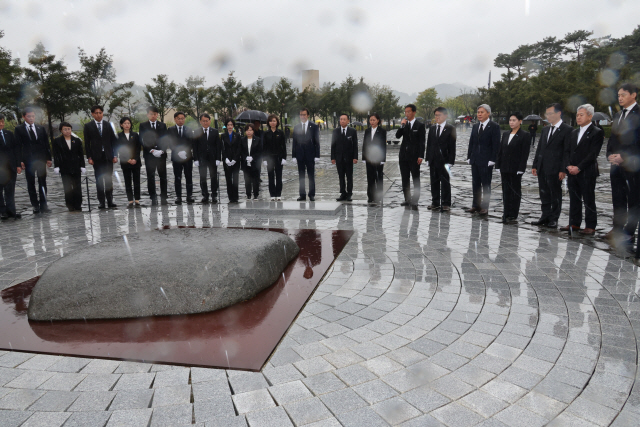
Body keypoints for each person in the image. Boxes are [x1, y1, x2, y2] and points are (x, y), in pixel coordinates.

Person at [561, 104, 604, 235]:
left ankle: (590, 225)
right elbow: (567, 151)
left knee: (588, 198)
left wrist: (579, 167)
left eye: (581, 115)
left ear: (590, 116)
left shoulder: (597, 132)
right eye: (577, 115)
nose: (578, 117)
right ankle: (574, 222)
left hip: (587, 171)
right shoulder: (573, 132)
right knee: (574, 198)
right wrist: (568, 166)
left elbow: (593, 154)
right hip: (572, 171)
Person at [606, 83, 640, 242]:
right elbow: (613, 139)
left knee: (633, 200)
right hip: (616, 165)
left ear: (633, 95)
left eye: (623, 95)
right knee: (618, 198)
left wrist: (624, 158)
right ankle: (617, 228)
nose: (620, 98)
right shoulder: (618, 115)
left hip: (633, 166)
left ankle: (629, 231)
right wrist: (610, 155)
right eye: (618, 95)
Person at [531, 103, 573, 228]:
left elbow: (567, 151)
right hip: (542, 166)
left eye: (550, 113)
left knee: (555, 193)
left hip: (556, 168)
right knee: (543, 192)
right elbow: (540, 149)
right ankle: (545, 216)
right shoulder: (545, 129)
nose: (548, 116)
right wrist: (535, 165)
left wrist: (563, 169)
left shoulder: (567, 130)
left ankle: (554, 218)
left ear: (559, 113)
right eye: (547, 114)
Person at [14, 107, 52, 213]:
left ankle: (44, 204)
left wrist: (48, 158)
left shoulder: (40, 128)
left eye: (33, 116)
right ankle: (35, 205)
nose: (31, 118)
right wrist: (20, 160)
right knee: (30, 183)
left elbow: (46, 144)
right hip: (28, 160)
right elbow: (18, 146)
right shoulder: (19, 129)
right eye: (29, 116)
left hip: (40, 160)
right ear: (24, 117)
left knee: (42, 182)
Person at [496, 113, 531, 224]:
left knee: (515, 191)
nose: (511, 122)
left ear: (520, 121)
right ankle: (506, 212)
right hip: (504, 167)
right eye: (510, 120)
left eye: (514, 120)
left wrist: (521, 167)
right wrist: (498, 164)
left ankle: (513, 213)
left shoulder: (525, 135)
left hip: (516, 168)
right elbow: (500, 151)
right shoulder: (506, 134)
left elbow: (525, 153)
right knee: (505, 190)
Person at [465, 104, 500, 215]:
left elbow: (496, 144)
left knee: (486, 184)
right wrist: (469, 156)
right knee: (475, 184)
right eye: (478, 112)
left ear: (488, 113)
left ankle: (485, 207)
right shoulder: (475, 126)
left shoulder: (494, 126)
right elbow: (472, 142)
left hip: (486, 160)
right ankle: (475, 205)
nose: (479, 114)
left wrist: (493, 159)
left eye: (482, 112)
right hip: (475, 159)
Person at [83, 105, 118, 209]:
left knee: (108, 180)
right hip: (96, 157)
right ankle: (101, 202)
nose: (98, 115)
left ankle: (110, 200)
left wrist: (115, 155)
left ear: (103, 113)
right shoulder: (88, 126)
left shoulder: (108, 125)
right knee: (99, 180)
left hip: (108, 156)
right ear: (93, 114)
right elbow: (87, 143)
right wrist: (89, 157)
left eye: (100, 113)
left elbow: (114, 141)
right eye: (96, 113)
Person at [426, 107, 456, 211]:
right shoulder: (432, 128)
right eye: (436, 115)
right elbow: (429, 144)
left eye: (439, 115)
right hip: (433, 159)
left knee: (445, 182)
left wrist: (451, 161)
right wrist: (428, 158)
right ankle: (435, 202)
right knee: (434, 181)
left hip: (445, 160)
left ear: (445, 115)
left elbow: (452, 146)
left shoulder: (450, 128)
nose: (437, 117)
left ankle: (446, 203)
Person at [395, 104, 426, 208]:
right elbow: (397, 135)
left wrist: (421, 156)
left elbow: (422, 142)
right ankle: (407, 199)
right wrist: (402, 125)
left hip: (414, 157)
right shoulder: (405, 125)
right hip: (403, 156)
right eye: (405, 112)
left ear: (414, 112)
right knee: (405, 178)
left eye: (408, 112)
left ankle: (415, 200)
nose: (407, 114)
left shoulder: (420, 126)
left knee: (415, 178)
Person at [52, 122, 85, 212]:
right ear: (61, 130)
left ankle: (78, 204)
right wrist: (57, 166)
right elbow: (56, 155)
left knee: (77, 187)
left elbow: (81, 154)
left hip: (76, 166)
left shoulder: (77, 140)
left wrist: (82, 165)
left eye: (69, 129)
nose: (67, 131)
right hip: (64, 167)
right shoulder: (57, 141)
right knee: (67, 187)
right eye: (65, 129)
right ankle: (70, 205)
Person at [139, 106, 168, 205]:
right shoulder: (143, 125)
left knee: (163, 176)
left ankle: (164, 196)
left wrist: (162, 151)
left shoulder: (162, 125)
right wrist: (151, 150)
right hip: (149, 155)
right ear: (147, 115)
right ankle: (153, 196)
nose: (153, 116)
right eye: (151, 114)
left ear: (157, 115)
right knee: (150, 176)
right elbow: (141, 140)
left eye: (155, 114)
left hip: (161, 155)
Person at [292, 108, 320, 201]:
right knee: (301, 175)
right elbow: (294, 142)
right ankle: (302, 194)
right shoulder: (296, 127)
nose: (302, 116)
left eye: (304, 114)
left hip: (310, 154)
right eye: (301, 115)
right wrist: (294, 155)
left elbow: (317, 142)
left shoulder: (314, 126)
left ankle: (311, 194)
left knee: (311, 175)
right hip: (300, 154)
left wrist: (317, 155)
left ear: (307, 115)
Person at [193, 113, 221, 204]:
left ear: (210, 121)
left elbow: (218, 146)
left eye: (207, 121)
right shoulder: (197, 132)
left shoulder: (215, 131)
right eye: (203, 121)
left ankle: (214, 195)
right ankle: (205, 195)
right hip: (202, 158)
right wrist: (196, 159)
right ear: (200, 122)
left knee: (213, 177)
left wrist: (218, 158)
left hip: (212, 158)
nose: (205, 122)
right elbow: (195, 146)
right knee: (203, 177)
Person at [168, 111, 194, 205]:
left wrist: (185, 151)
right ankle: (178, 196)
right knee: (177, 177)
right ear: (175, 119)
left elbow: (191, 142)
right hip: (176, 157)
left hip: (187, 157)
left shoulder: (189, 129)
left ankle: (189, 195)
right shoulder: (170, 130)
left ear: (184, 119)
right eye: (178, 118)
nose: (180, 120)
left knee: (189, 176)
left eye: (182, 118)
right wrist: (178, 152)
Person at [331, 114, 358, 202]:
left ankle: (349, 193)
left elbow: (355, 145)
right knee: (341, 176)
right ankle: (343, 193)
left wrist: (355, 157)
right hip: (339, 158)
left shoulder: (352, 131)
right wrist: (333, 157)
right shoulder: (335, 131)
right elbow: (333, 145)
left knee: (349, 176)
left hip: (349, 158)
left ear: (348, 121)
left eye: (344, 119)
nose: (342, 121)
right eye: (341, 119)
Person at [116, 117, 142, 208]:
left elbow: (138, 148)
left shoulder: (135, 135)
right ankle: (130, 199)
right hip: (125, 162)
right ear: (121, 125)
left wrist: (135, 159)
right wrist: (127, 159)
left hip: (136, 162)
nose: (127, 125)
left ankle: (137, 199)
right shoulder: (119, 136)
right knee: (127, 181)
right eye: (125, 123)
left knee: (136, 181)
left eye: (128, 123)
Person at [0, 114, 22, 219]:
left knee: (10, 191)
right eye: (0, 121)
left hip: (11, 168)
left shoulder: (8, 134)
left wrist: (18, 164)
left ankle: (11, 211)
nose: (1, 123)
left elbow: (15, 150)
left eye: (3, 121)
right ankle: (3, 212)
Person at [362, 112, 386, 205]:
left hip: (378, 158)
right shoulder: (367, 131)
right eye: (370, 120)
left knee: (378, 178)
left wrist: (383, 159)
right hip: (369, 158)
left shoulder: (382, 131)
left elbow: (383, 146)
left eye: (373, 120)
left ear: (378, 120)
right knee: (370, 177)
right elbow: (365, 144)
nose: (372, 122)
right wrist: (364, 157)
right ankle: (370, 196)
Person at [262, 114, 287, 200]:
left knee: (279, 176)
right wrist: (264, 159)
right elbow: (264, 147)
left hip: (279, 158)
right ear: (268, 122)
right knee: (271, 176)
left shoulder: (280, 133)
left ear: (277, 122)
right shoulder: (266, 134)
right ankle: (272, 194)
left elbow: (283, 146)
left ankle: (278, 194)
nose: (272, 123)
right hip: (269, 158)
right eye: (271, 121)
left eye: (274, 121)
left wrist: (284, 157)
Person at [221, 118, 241, 203]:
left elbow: (239, 148)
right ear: (226, 126)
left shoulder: (237, 135)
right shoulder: (223, 136)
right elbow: (222, 148)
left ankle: (235, 197)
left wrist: (235, 159)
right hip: (227, 160)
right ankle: (230, 197)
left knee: (235, 179)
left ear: (233, 126)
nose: (230, 126)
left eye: (231, 125)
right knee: (228, 179)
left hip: (235, 160)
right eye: (228, 125)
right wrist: (225, 158)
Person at [240, 124, 262, 200]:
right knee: (247, 179)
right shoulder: (242, 140)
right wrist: (245, 157)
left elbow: (259, 152)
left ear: (253, 131)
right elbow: (241, 151)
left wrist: (253, 157)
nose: (249, 132)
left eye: (250, 130)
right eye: (247, 130)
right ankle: (248, 194)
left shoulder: (258, 139)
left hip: (255, 162)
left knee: (255, 179)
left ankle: (256, 194)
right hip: (245, 162)